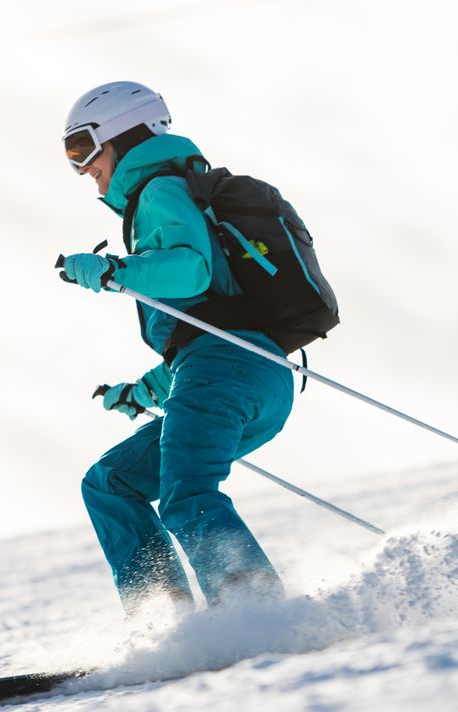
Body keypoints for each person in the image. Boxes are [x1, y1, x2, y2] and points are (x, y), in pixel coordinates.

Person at [60, 81, 292, 614]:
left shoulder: (160, 190)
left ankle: (257, 616)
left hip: (227, 368)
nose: (80, 167)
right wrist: (143, 391)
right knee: (110, 483)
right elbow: (203, 327)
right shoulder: (174, 192)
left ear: (123, 134)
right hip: (243, 371)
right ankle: (165, 619)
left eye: (82, 148)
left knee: (188, 497)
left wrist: (114, 272)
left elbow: (193, 270)